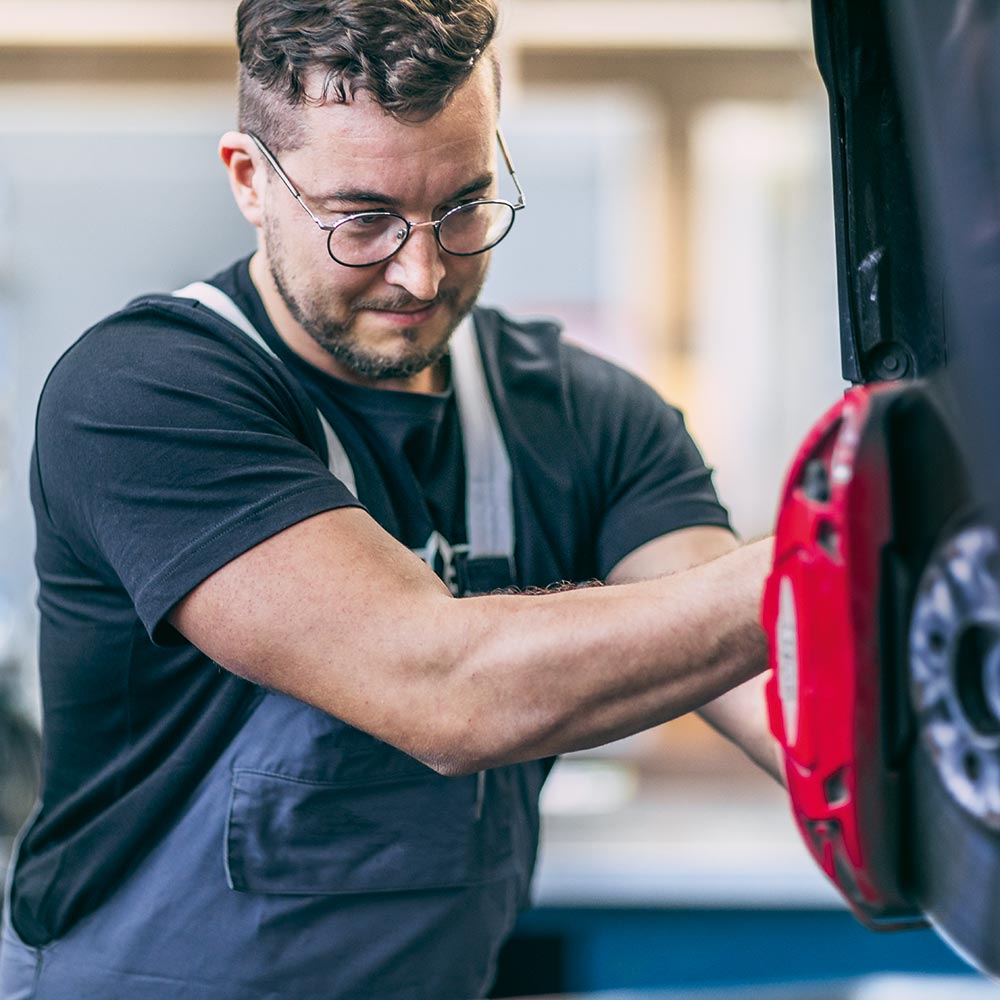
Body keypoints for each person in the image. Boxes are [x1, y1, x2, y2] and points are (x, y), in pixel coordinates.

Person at [0, 1, 779, 997]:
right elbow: (444, 690)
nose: (420, 271)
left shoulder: (590, 419)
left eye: (463, 205)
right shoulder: (142, 394)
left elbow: (768, 678)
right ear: (250, 179)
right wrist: (828, 552)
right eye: (362, 219)